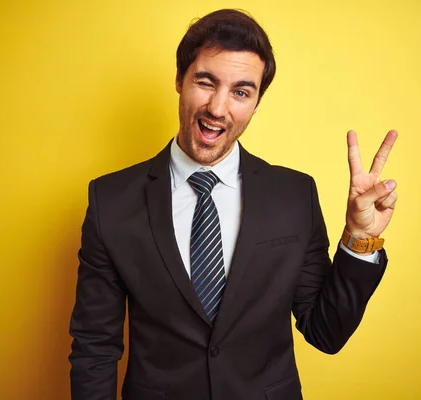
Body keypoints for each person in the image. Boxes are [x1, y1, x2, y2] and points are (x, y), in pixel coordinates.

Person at [69, 8, 398, 400]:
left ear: (256, 102)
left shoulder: (295, 196)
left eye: (241, 92)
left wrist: (360, 240)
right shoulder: (111, 201)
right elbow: (95, 347)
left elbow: (325, 332)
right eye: (206, 82)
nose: (218, 108)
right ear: (179, 80)